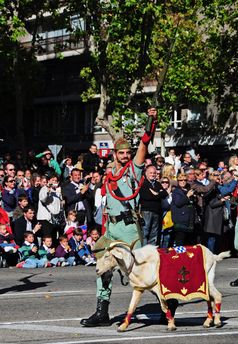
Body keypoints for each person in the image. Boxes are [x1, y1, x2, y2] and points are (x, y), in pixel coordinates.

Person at [80, 107, 158, 327]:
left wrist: (151, 119)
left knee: (141, 273)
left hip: (129, 229)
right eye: (121, 153)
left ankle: (165, 303)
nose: (125, 156)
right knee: (102, 268)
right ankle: (102, 312)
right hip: (112, 229)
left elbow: (144, 144)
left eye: (127, 153)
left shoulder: (134, 169)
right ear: (115, 153)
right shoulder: (109, 175)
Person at [139, 165, 168, 246]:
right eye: (151, 173)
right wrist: (158, 194)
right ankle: (144, 251)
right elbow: (146, 196)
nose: (153, 174)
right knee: (145, 232)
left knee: (154, 234)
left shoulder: (158, 184)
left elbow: (165, 194)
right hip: (146, 211)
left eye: (154, 173)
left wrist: (155, 194)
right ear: (146, 173)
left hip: (157, 211)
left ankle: (151, 252)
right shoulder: (143, 184)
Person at [171, 173, 196, 246]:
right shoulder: (176, 191)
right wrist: (187, 196)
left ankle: (186, 257)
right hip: (180, 221)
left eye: (185, 180)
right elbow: (178, 203)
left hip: (189, 221)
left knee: (188, 244)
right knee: (180, 243)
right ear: (178, 181)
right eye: (181, 180)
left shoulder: (187, 190)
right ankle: (180, 257)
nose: (183, 181)